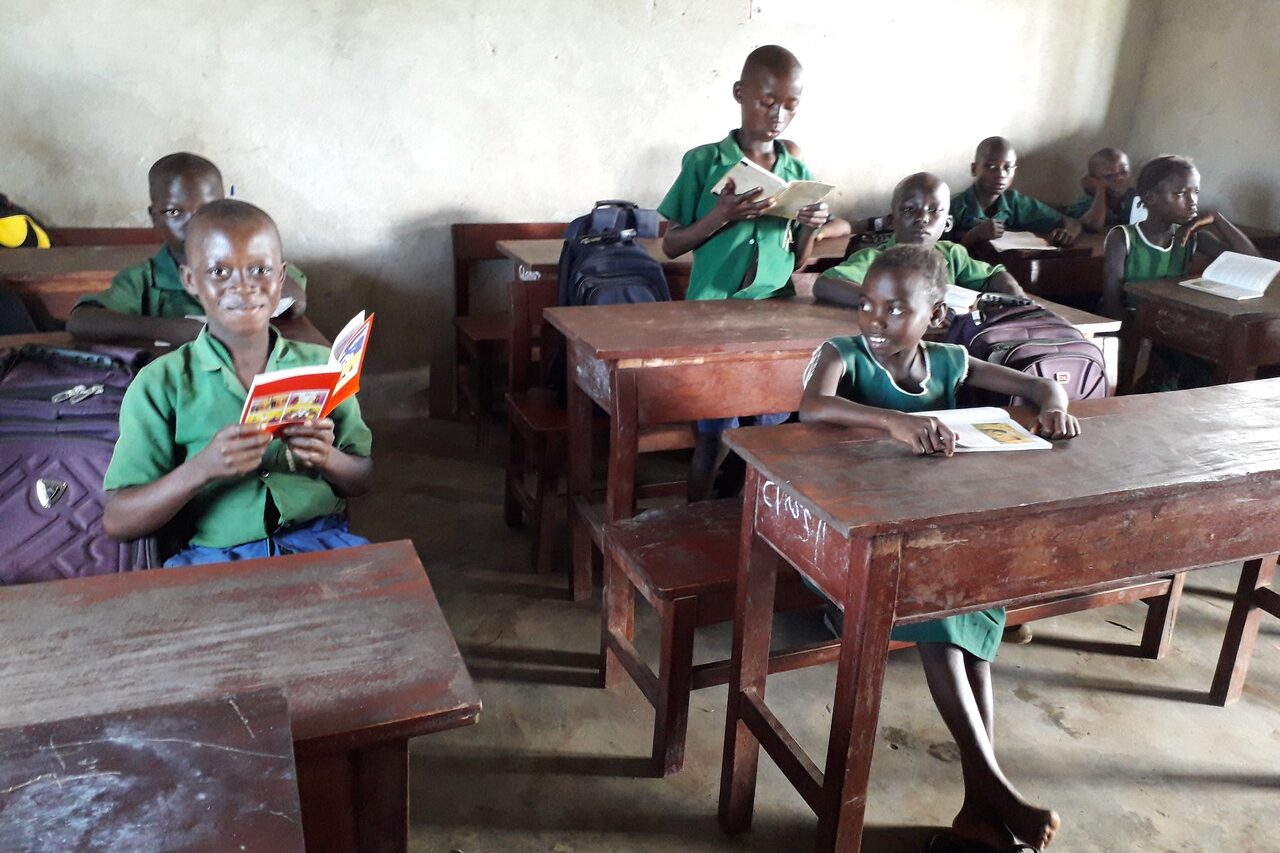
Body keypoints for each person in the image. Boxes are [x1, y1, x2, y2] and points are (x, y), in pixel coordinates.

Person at [801, 244, 1078, 852]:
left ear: (935, 316)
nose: (874, 321)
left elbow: (1038, 387)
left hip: (930, 539)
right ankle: (993, 792)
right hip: (848, 542)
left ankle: (982, 806)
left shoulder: (952, 360)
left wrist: (1055, 410)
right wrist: (890, 423)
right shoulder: (841, 355)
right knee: (937, 601)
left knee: (967, 604)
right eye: (869, 306)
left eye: (895, 310)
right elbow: (812, 405)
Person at [101, 200, 371, 566]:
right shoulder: (161, 384)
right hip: (212, 557)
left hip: (321, 541)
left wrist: (327, 458)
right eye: (219, 271)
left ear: (280, 278)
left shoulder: (322, 367)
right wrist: (201, 469)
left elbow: (362, 479)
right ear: (190, 280)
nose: (243, 287)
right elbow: (118, 521)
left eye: (260, 269)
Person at [657, 45, 831, 500]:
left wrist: (811, 226)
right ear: (740, 93)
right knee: (713, 437)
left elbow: (798, 260)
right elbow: (671, 244)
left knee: (767, 435)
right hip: (711, 318)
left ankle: (747, 521)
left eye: (790, 106)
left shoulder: (796, 171)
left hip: (773, 315)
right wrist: (722, 215)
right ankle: (694, 522)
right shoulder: (703, 162)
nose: (778, 115)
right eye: (767, 101)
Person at [67, 153, 308, 344]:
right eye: (173, 212)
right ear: (154, 218)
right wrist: (169, 329)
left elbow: (295, 299)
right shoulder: (144, 279)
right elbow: (81, 321)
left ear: (225, 207)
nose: (193, 224)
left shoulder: (254, 263)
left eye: (208, 207)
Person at [814, 172, 1024, 305]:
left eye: (934, 210)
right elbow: (825, 284)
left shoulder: (952, 255)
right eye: (909, 209)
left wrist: (1020, 300)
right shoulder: (876, 259)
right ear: (892, 220)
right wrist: (892, 304)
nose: (922, 218)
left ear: (948, 224)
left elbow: (995, 276)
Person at [951, 137, 1080, 249]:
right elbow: (940, 254)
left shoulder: (1013, 202)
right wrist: (973, 236)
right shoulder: (954, 206)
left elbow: (1071, 222)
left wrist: (1067, 234)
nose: (1001, 174)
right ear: (974, 169)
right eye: (991, 167)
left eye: (1007, 168)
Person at [1062, 147, 1137, 233]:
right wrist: (1100, 190)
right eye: (1109, 175)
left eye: (1124, 171)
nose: (1118, 178)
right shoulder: (1086, 203)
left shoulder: (1135, 197)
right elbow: (1093, 226)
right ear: (1093, 180)